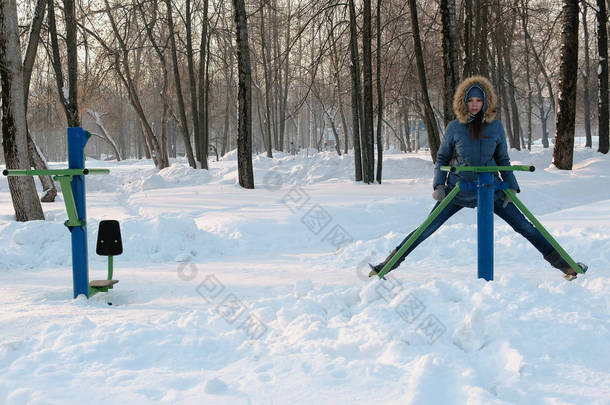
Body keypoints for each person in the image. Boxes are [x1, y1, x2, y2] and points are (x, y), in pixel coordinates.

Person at [369, 75, 586, 281]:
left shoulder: (496, 127)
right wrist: (439, 184)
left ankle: (565, 265)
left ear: (485, 102)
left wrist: (511, 186)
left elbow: (503, 158)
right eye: (470, 100)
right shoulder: (455, 127)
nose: (474, 104)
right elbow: (443, 156)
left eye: (479, 100)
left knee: (525, 226)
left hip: (491, 189)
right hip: (459, 189)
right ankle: (389, 263)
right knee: (427, 228)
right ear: (464, 102)